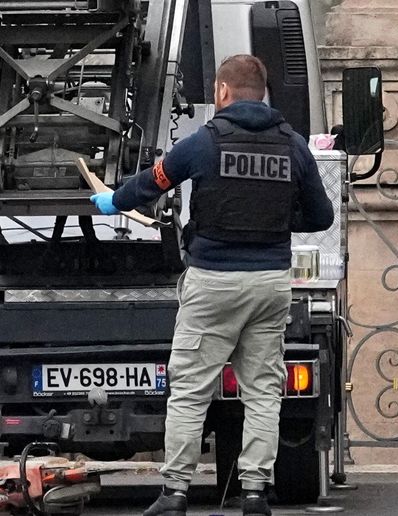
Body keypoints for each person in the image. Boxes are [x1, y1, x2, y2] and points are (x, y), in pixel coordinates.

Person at [90, 55, 334, 516]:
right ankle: (257, 491)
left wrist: (113, 201)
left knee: (190, 388)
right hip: (270, 284)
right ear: (263, 93)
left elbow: (152, 184)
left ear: (222, 91)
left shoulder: (204, 143)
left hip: (214, 281)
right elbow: (322, 217)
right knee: (263, 389)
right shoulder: (293, 146)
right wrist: (279, 220)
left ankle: (175, 492)